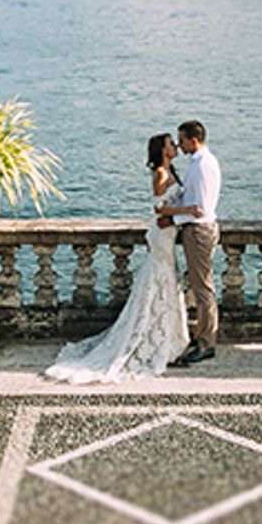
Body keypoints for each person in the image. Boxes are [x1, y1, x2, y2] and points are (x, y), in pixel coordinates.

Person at [43, 133, 191, 384]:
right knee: (162, 282)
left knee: (166, 281)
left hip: (167, 232)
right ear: (163, 151)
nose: (175, 146)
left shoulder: (170, 170)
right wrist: (186, 210)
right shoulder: (161, 174)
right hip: (162, 233)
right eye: (171, 144)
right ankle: (161, 341)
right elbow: (157, 207)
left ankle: (170, 340)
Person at [161, 119, 221, 366]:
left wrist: (172, 218)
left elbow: (203, 208)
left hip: (199, 231)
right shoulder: (197, 163)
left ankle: (207, 342)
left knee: (203, 288)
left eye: (182, 140)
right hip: (195, 230)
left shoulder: (204, 165)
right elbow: (191, 200)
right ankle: (202, 336)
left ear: (193, 140)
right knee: (198, 285)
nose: (179, 145)